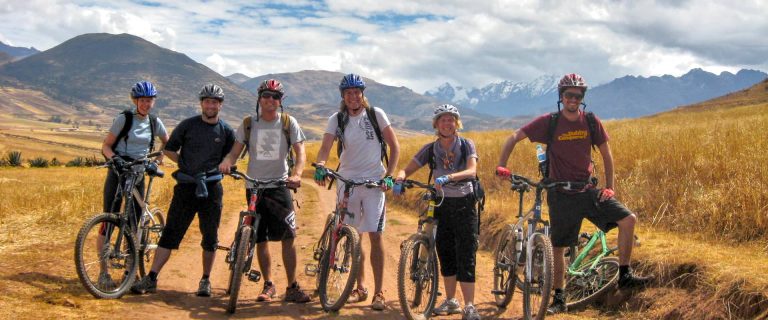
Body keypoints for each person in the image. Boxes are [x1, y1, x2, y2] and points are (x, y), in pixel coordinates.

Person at [495, 73, 653, 314]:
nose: (573, 99)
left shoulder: (590, 121)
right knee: (558, 247)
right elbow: (514, 136)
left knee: (628, 219)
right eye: (569, 95)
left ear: (582, 98)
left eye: (577, 96)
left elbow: (607, 156)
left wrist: (610, 187)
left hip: (588, 191)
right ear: (561, 97)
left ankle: (625, 275)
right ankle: (559, 298)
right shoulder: (550, 121)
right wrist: (502, 165)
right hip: (560, 194)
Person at [131, 83, 236, 297]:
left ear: (220, 105)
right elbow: (169, 148)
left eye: (214, 102)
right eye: (207, 101)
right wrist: (185, 164)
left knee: (210, 236)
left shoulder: (226, 131)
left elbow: (230, 157)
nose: (210, 105)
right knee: (171, 233)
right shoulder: (188, 125)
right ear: (201, 103)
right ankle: (151, 278)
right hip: (186, 186)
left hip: (212, 188)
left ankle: (205, 280)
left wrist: (223, 166)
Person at [218, 79, 311, 303]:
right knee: (260, 238)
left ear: (281, 102)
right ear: (259, 98)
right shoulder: (249, 124)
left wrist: (297, 174)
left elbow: (300, 154)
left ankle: (292, 286)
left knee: (288, 237)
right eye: (266, 96)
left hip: (280, 186)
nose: (271, 100)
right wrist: (226, 162)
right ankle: (269, 284)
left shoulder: (289, 123)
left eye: (275, 97)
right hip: (254, 186)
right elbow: (234, 152)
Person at [314, 73, 400, 310]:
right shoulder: (337, 118)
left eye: (357, 92)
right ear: (343, 96)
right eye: (348, 93)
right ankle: (360, 286)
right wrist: (321, 165)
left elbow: (394, 146)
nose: (353, 97)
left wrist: (389, 176)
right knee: (354, 235)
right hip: (347, 182)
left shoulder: (376, 114)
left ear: (363, 94)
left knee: (375, 235)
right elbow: (325, 148)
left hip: (374, 183)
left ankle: (379, 292)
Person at [394, 104, 481, 320]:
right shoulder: (430, 149)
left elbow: (472, 170)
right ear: (436, 124)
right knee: (445, 251)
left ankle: (469, 306)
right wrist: (400, 177)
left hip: (464, 202)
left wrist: (449, 177)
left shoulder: (466, 144)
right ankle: (451, 300)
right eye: (443, 120)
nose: (447, 123)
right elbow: (408, 167)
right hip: (441, 204)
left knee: (466, 252)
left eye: (451, 119)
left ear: (456, 123)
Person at [98, 80, 169, 288]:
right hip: (119, 173)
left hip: (139, 173)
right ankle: (103, 273)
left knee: (133, 224)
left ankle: (130, 272)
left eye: (150, 100)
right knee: (108, 221)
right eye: (143, 100)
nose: (146, 104)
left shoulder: (155, 122)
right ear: (135, 100)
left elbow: (167, 141)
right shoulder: (124, 119)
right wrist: (115, 159)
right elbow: (106, 146)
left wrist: (157, 160)